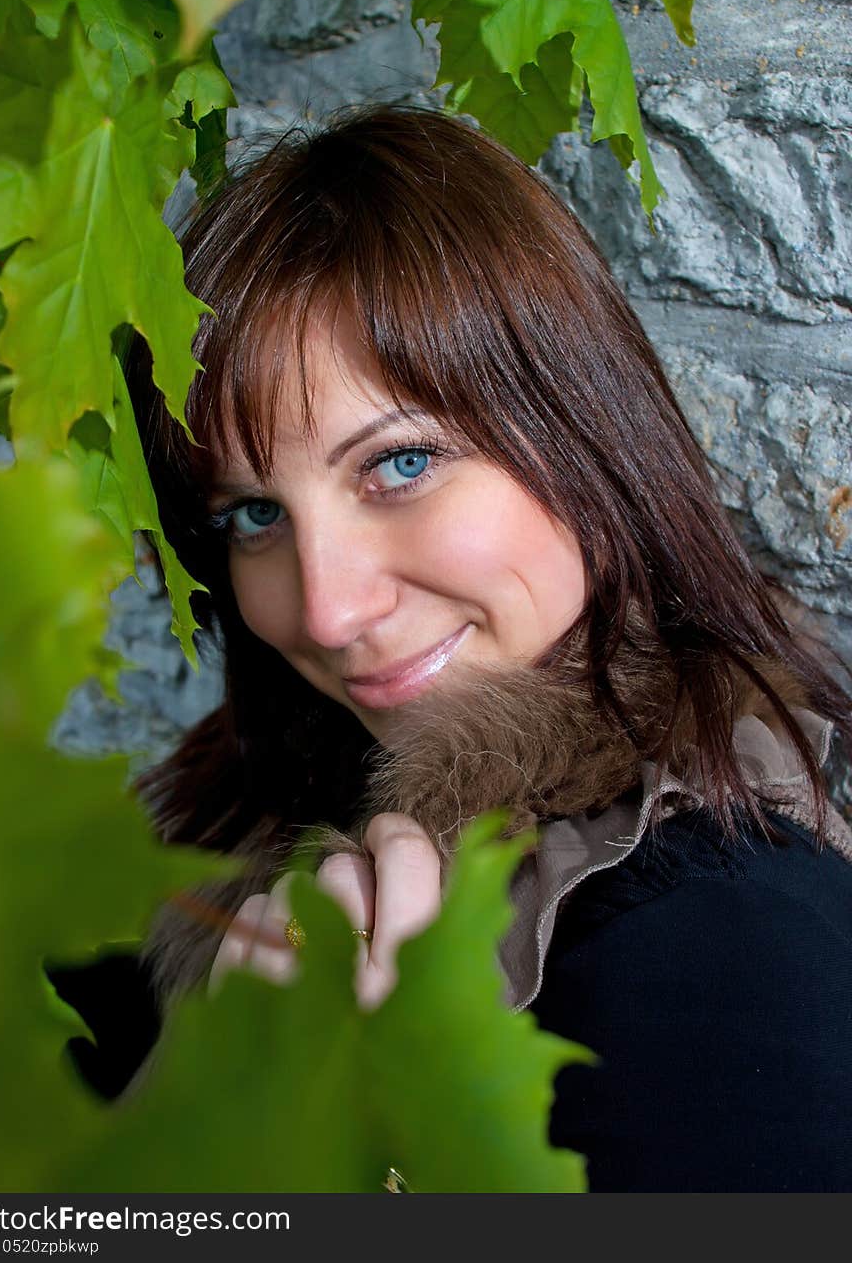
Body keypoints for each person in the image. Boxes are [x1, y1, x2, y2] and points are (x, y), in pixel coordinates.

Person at [57, 105, 852, 1190]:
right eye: (253, 515)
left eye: (399, 464)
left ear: (581, 428)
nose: (328, 610)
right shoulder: (233, 820)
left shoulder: (733, 953)